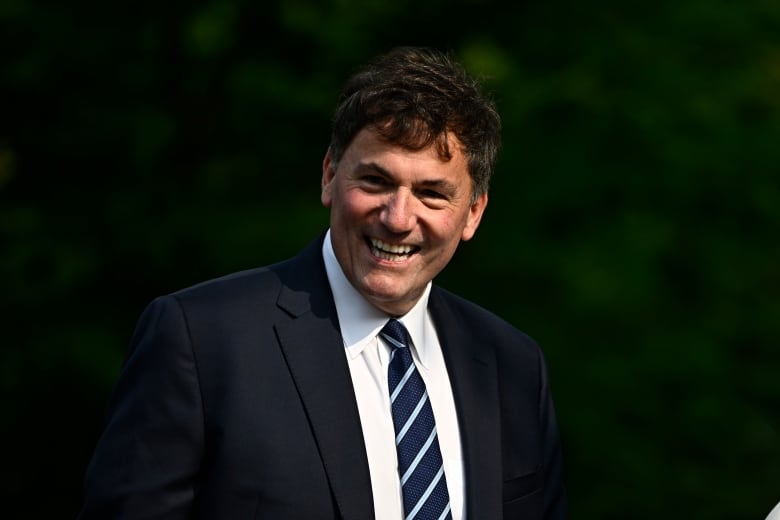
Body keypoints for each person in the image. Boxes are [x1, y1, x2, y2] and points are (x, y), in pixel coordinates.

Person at [79, 46, 568, 519]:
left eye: (431, 193)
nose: (399, 218)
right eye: (375, 182)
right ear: (330, 175)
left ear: (473, 213)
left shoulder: (513, 367)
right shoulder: (201, 341)